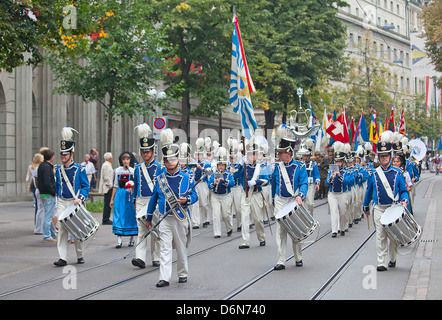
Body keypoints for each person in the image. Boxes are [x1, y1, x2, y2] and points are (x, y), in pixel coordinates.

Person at [145, 128, 198, 287]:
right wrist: (148, 217)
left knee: (181, 247)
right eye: (167, 160)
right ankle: (164, 277)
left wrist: (186, 199)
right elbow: (154, 198)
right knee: (165, 248)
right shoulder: (160, 178)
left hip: (180, 217)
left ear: (177, 159)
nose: (170, 163)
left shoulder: (186, 177)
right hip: (164, 218)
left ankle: (182, 273)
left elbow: (194, 196)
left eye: (173, 160)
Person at [363, 131, 409, 271]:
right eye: (382, 156)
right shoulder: (374, 173)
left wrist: (404, 200)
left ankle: (393, 258)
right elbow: (369, 191)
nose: (384, 158)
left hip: (393, 208)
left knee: (392, 236)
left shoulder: (397, 173)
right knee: (380, 235)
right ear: (379, 157)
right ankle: (381, 262)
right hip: (378, 208)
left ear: (390, 156)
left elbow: (404, 191)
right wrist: (365, 206)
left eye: (386, 156)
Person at [53, 127, 90, 266]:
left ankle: (80, 254)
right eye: (61, 155)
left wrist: (80, 197)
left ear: (71, 154)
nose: (63, 157)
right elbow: (58, 186)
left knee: (76, 228)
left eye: (65, 155)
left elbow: (85, 186)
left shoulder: (79, 169)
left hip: (74, 202)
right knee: (61, 228)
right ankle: (62, 257)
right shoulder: (58, 169)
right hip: (62, 201)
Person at [272, 131, 308, 270]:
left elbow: (304, 183)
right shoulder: (277, 166)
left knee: (295, 229)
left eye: (281, 152)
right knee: (280, 231)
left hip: (293, 199)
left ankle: (298, 257)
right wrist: (273, 199)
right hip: (280, 199)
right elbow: (274, 183)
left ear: (289, 152)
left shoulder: (299, 166)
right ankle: (281, 260)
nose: (279, 155)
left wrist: (301, 196)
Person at [132, 123, 162, 269]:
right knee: (141, 230)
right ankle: (140, 258)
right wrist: (134, 201)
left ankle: (156, 257)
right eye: (143, 152)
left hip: (154, 201)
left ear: (152, 151)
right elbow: (136, 185)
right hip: (141, 200)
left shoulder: (159, 167)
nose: (146, 154)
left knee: (154, 228)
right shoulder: (137, 168)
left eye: (148, 151)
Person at [234, 137, 269, 249]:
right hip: (245, 195)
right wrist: (240, 165)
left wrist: (256, 182)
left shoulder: (261, 166)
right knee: (244, 218)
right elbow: (235, 176)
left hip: (256, 194)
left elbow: (266, 180)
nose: (251, 157)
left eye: (253, 155)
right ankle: (245, 241)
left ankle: (261, 237)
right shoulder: (244, 166)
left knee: (258, 219)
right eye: (249, 155)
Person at [325, 142, 354, 237]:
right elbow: (326, 183)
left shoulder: (346, 171)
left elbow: (348, 182)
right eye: (336, 161)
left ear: (343, 162)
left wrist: (339, 175)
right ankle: (334, 230)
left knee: (343, 212)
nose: (338, 163)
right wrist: (331, 178)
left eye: (339, 162)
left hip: (342, 194)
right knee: (334, 211)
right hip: (332, 194)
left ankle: (342, 227)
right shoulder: (331, 171)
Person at [110, 152, 138, 248]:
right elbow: (115, 185)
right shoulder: (117, 171)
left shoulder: (133, 171)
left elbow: (136, 184)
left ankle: (132, 239)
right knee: (119, 214)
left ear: (130, 160)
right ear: (121, 160)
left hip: (130, 195)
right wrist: (111, 199)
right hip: (120, 194)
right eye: (124, 159)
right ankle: (119, 240)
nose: (125, 161)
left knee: (130, 215)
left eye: (127, 159)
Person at [208, 146, 235, 238]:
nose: (221, 167)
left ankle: (229, 227)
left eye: (222, 165)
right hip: (215, 196)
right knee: (215, 215)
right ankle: (217, 233)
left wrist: (224, 181)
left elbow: (232, 183)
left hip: (225, 196)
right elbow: (209, 184)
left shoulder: (228, 174)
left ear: (225, 166)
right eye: (219, 165)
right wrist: (214, 183)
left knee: (225, 215)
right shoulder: (214, 174)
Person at [191, 137, 211, 229]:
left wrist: (201, 168)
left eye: (199, 155)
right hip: (195, 184)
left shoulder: (206, 163)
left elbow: (209, 172)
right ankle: (195, 222)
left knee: (203, 203)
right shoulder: (193, 163)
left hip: (203, 184)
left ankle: (205, 219)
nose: (198, 156)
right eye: (197, 154)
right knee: (195, 203)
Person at [37, 149, 57, 243]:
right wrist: (53, 191)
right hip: (48, 193)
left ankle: (52, 234)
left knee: (49, 214)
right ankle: (47, 236)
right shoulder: (47, 167)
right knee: (48, 216)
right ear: (51, 157)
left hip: (43, 193)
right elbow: (47, 181)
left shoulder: (42, 165)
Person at [30, 153, 44, 234]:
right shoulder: (38, 169)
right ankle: (40, 228)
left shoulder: (34, 168)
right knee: (42, 210)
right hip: (40, 190)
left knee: (40, 209)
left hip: (37, 189)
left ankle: (38, 228)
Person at [98, 152, 114, 225]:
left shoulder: (107, 165)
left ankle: (106, 218)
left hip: (108, 186)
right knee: (107, 203)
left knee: (107, 203)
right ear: (110, 158)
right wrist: (110, 185)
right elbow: (106, 177)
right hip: (108, 187)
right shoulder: (106, 165)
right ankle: (105, 219)